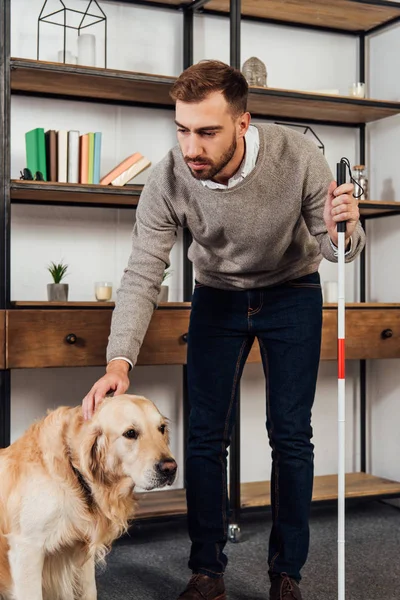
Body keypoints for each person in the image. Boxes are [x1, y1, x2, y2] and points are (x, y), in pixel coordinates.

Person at [82, 60, 365, 600]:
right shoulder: (169, 176)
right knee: (206, 435)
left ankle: (288, 573)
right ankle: (206, 571)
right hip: (216, 296)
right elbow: (144, 270)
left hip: (292, 291)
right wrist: (120, 361)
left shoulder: (298, 156)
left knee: (290, 433)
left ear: (242, 122)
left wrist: (343, 229)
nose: (192, 147)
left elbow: (337, 250)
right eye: (183, 130)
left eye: (207, 132)